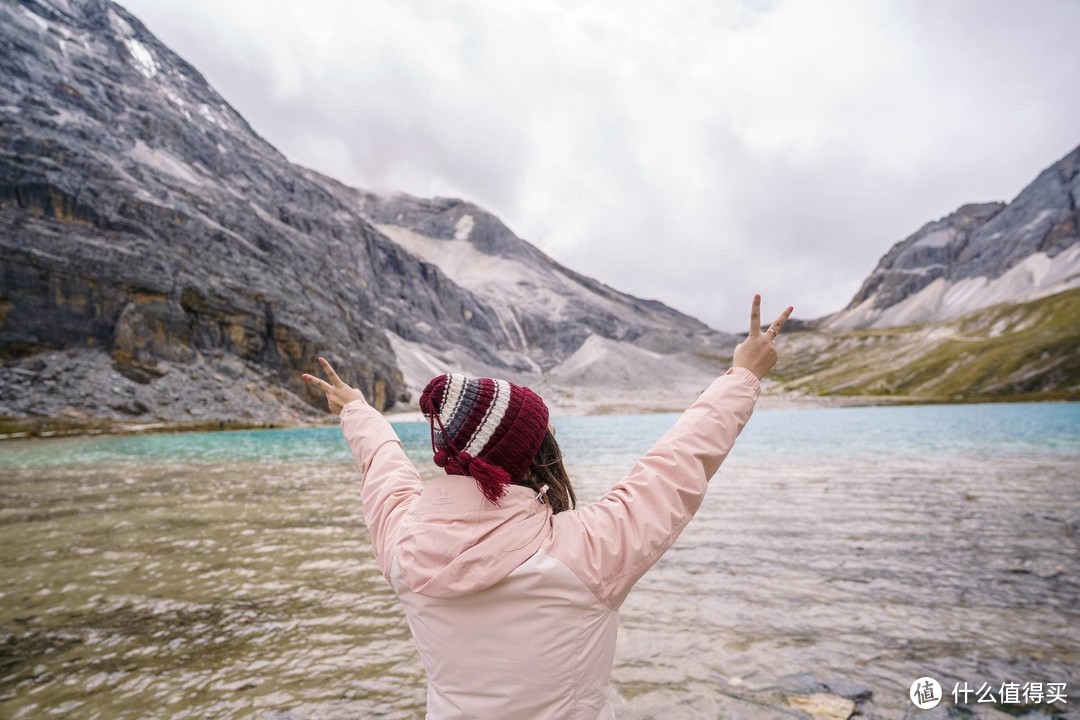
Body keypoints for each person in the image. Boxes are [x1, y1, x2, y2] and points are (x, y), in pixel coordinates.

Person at [302, 294, 792, 719]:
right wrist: (743, 375)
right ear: (534, 455)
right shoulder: (583, 554)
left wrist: (355, 410)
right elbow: (676, 465)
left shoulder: (403, 545)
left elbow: (384, 465)